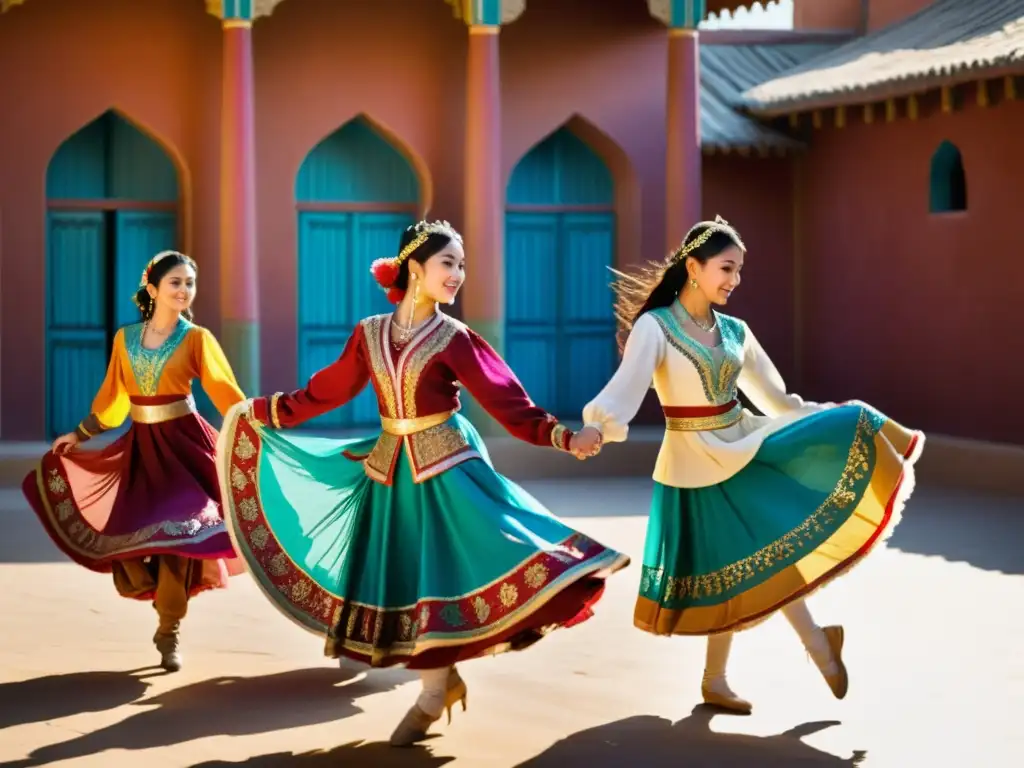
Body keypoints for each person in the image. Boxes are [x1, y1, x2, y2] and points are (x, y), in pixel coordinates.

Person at [215, 220, 629, 747]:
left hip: (447, 468)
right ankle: (440, 684)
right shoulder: (368, 332)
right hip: (390, 474)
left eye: (462, 265)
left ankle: (433, 693)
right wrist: (266, 411)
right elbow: (329, 390)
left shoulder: (455, 338)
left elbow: (508, 402)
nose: (458, 275)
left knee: (461, 567)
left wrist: (563, 437)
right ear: (415, 268)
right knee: (408, 582)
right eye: (448, 264)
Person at [574, 216, 923, 713]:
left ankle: (776, 660)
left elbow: (777, 399)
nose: (734, 280)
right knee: (734, 566)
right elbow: (625, 387)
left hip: (744, 446)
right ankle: (804, 649)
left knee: (752, 561)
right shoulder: (655, 326)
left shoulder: (736, 331)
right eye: (725, 268)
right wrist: (598, 427)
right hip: (692, 462)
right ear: (692, 267)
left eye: (739, 270)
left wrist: (837, 418)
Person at [23, 251, 247, 672]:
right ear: (153, 288)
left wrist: (255, 424)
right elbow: (113, 401)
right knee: (125, 540)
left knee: (181, 535)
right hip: (142, 449)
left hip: (186, 449)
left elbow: (224, 392)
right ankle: (156, 598)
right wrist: (80, 434)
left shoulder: (198, 339)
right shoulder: (125, 340)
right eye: (176, 282)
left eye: (189, 283)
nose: (184, 290)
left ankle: (169, 630)